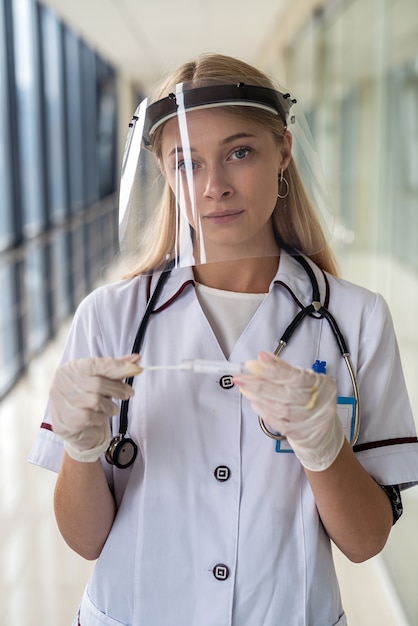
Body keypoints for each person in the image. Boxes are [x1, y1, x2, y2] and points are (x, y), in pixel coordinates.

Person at [29, 53, 418, 626]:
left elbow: (364, 543)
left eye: (240, 153)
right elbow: (85, 541)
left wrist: (324, 447)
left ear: (282, 151)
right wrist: (82, 452)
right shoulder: (109, 318)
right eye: (186, 163)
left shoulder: (354, 318)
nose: (214, 187)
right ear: (165, 173)